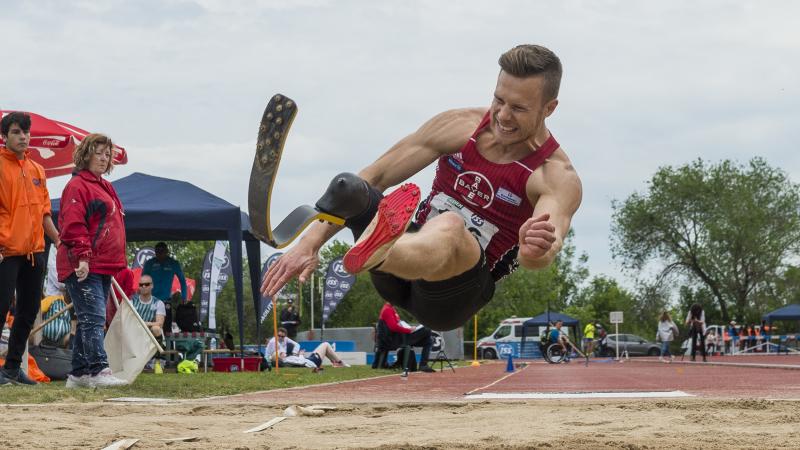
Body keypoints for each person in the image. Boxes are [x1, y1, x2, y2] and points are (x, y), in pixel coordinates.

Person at [261, 44, 581, 332]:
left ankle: (382, 248)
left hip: (452, 296)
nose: (503, 116)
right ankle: (381, 247)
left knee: (452, 227)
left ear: (549, 108)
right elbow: (379, 173)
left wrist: (535, 249)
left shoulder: (554, 175)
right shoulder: (459, 125)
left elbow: (540, 256)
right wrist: (308, 245)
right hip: (400, 276)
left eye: (519, 108)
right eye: (499, 100)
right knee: (349, 187)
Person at [57, 133, 128, 388]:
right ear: (86, 153)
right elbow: (74, 225)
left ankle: (78, 375)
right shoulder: (78, 186)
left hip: (103, 263)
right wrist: (83, 258)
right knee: (93, 318)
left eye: (107, 154)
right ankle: (98, 369)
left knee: (91, 317)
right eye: (98, 152)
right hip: (84, 263)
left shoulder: (104, 186)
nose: (104, 158)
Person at [0, 112, 61, 386]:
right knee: (1, 309)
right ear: (5, 136)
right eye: (16, 132)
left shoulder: (38, 169)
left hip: (35, 250)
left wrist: (59, 241)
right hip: (6, 250)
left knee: (27, 312)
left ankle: (12, 368)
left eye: (26, 132)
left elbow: (45, 214)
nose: (23, 136)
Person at [378, 302, 435, 372]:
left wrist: (408, 327)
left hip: (402, 336)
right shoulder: (387, 309)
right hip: (399, 338)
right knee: (427, 329)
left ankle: (423, 365)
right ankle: (423, 365)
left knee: (428, 341)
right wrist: (409, 330)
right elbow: (394, 327)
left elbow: (397, 324)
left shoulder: (391, 308)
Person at [130, 275, 166, 339]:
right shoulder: (132, 302)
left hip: (151, 333)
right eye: (141, 285)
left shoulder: (158, 303)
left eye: (147, 284)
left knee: (156, 329)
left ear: (152, 286)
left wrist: (145, 324)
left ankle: (157, 348)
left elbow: (160, 324)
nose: (143, 286)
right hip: (134, 330)